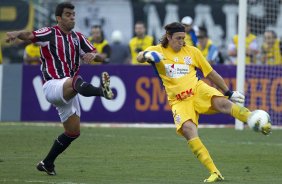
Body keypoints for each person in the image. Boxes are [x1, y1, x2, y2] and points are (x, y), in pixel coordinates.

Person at [137, 22, 271, 182]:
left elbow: (211, 73)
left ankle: (257, 122)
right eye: (178, 38)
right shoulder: (157, 51)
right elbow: (140, 56)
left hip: (198, 89)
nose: (181, 41)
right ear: (168, 37)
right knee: (188, 131)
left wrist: (228, 92)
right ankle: (215, 172)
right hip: (178, 101)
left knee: (223, 104)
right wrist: (146, 56)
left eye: (183, 38)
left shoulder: (193, 52)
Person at [5, 2, 114, 176]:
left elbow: (102, 57)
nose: (72, 17)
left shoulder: (78, 37)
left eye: (73, 14)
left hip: (69, 90)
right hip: (53, 85)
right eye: (68, 14)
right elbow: (29, 35)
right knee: (74, 81)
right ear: (59, 18)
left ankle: (47, 163)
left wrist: (95, 55)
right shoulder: (49, 33)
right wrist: (16, 33)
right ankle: (102, 91)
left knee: (73, 132)